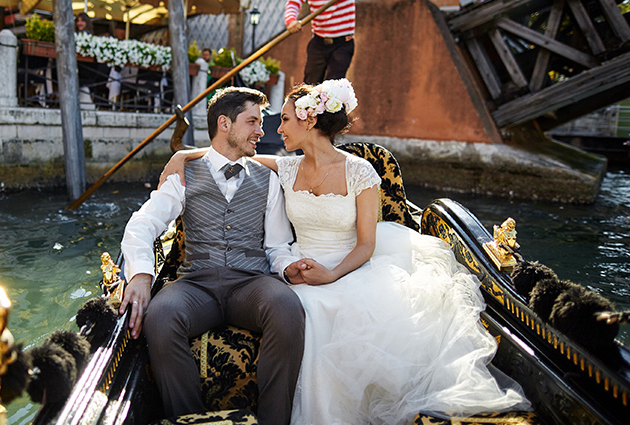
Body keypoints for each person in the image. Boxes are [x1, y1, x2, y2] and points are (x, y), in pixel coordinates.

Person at [161, 79, 531, 424]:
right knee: (301, 308)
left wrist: (333, 274)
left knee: (324, 311)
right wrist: (182, 156)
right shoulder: (286, 168)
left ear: (309, 121)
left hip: (352, 266)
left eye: (285, 119)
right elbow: (227, 155)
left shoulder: (362, 171)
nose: (277, 129)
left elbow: (367, 244)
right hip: (302, 264)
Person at [119, 87, 306, 425]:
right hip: (196, 285)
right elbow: (143, 223)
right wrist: (141, 275)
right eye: (252, 121)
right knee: (160, 315)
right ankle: (187, 419)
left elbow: (277, 245)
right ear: (224, 123)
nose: (261, 131)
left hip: (251, 283)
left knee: (287, 306)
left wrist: (288, 267)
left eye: (261, 123)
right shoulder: (182, 175)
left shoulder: (269, 179)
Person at [285, 0, 355, 84]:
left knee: (334, 85)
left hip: (343, 43)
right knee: (310, 84)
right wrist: (291, 20)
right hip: (319, 41)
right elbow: (293, 2)